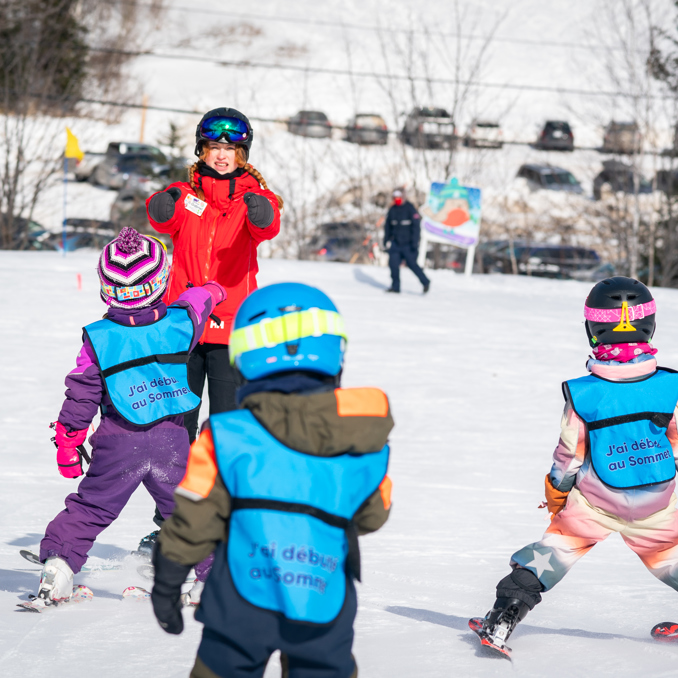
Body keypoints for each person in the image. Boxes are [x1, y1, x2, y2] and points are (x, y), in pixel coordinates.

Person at [150, 282, 394, 678]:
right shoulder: (362, 439)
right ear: (335, 352)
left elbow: (194, 519)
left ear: (243, 358)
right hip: (322, 600)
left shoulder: (226, 436)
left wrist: (168, 581)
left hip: (239, 606)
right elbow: (373, 516)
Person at [473, 276, 678, 653]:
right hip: (658, 500)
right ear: (649, 326)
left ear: (593, 329)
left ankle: (503, 619)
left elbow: (569, 455)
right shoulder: (671, 387)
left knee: (552, 554)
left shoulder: (585, 394)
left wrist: (556, 494)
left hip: (595, 503)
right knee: (670, 556)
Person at [34, 228, 225, 608]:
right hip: (171, 441)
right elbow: (199, 300)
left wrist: (69, 444)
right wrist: (214, 290)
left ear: (108, 289)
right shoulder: (181, 323)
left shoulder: (99, 339)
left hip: (118, 442)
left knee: (91, 507)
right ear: (160, 282)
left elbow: (81, 395)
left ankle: (58, 568)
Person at [141, 107, 282, 552]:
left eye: (231, 149)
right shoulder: (185, 192)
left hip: (230, 327)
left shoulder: (256, 196)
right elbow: (163, 220)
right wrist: (159, 205)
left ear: (243, 154)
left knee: (225, 426)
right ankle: (172, 519)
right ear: (202, 149)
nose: (221, 156)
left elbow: (268, 227)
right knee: (176, 425)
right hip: (182, 324)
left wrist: (261, 212)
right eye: (215, 147)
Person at [384, 188, 430, 294]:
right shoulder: (392, 210)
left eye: (399, 198)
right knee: (393, 264)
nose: (397, 200)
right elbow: (387, 227)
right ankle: (395, 287)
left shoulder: (410, 208)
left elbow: (416, 227)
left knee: (412, 265)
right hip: (395, 243)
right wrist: (386, 240)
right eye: (395, 198)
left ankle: (425, 282)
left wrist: (415, 243)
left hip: (408, 244)